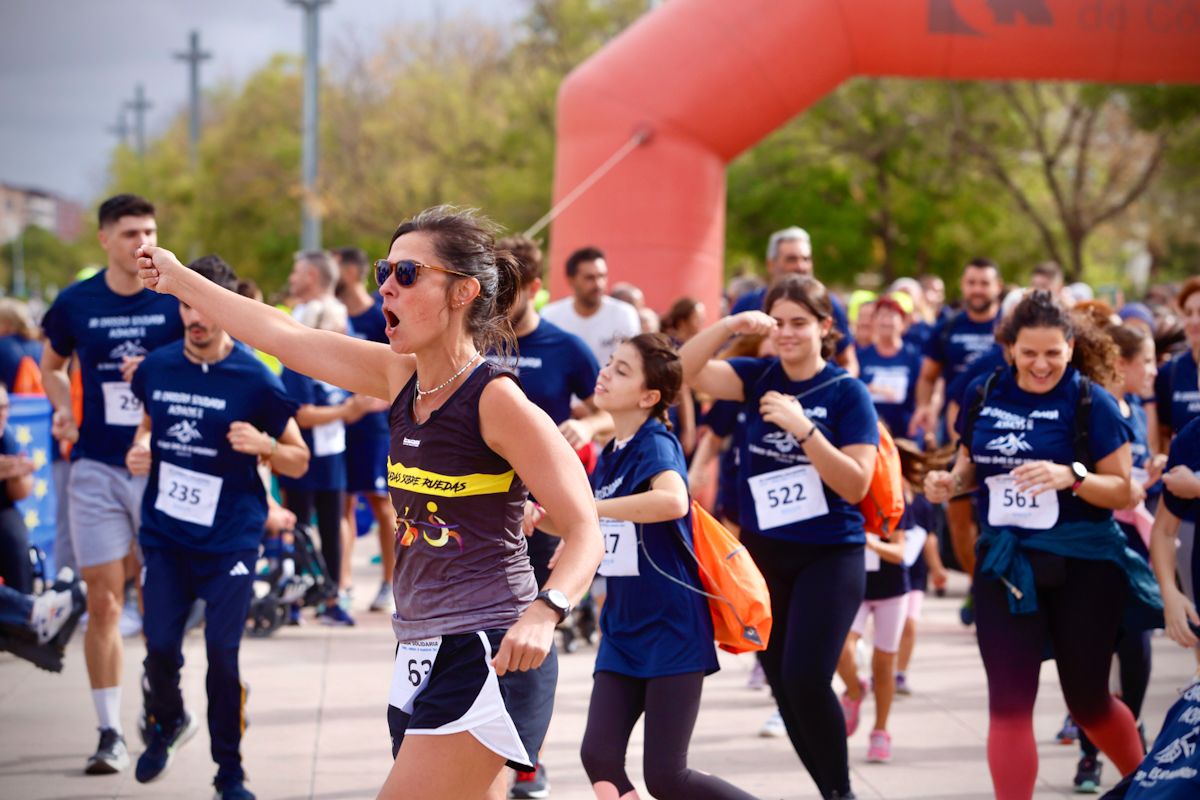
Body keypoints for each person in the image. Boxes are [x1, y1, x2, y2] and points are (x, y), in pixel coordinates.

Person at [134, 205, 603, 800]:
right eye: (385, 269)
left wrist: (547, 610)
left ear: (462, 292)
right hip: (419, 645)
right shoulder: (398, 377)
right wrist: (178, 278)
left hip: (490, 646)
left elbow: (584, 527)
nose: (385, 285)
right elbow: (286, 336)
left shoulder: (497, 400)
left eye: (407, 273)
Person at [925, 290, 1158, 800]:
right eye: (1029, 352)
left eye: (1053, 352)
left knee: (1088, 702)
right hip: (1006, 566)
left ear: (1071, 347)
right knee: (1008, 704)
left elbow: (1125, 488)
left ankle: (1147, 788)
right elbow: (969, 466)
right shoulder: (984, 393)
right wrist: (950, 483)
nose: (1040, 364)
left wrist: (1070, 476)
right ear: (1010, 348)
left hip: (1084, 568)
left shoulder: (1090, 402)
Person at [681, 274, 879, 800]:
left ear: (825, 327)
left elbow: (857, 483)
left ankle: (841, 793)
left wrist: (804, 429)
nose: (788, 334)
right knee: (786, 685)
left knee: (808, 677)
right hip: (766, 555)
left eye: (800, 323)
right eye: (780, 323)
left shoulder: (846, 392)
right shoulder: (758, 374)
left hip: (831, 555)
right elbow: (681, 371)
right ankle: (829, 791)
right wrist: (729, 324)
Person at [534, 333, 753, 800]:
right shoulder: (612, 450)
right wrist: (542, 517)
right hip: (623, 629)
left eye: (621, 370)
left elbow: (673, 500)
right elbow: (584, 517)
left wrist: (591, 511)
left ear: (649, 396)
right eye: (609, 362)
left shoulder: (655, 441)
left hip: (672, 628)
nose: (605, 372)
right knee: (600, 758)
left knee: (667, 777)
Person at [124, 255, 309, 799]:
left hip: (230, 534)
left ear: (227, 309)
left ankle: (229, 772)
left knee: (223, 659)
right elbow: (147, 425)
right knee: (159, 646)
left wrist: (268, 446)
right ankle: (167, 721)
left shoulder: (256, 379)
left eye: (205, 305)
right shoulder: (158, 367)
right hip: (165, 531)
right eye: (186, 304)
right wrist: (140, 447)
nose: (195, 317)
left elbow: (298, 459)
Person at [40, 193, 184, 774]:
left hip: (160, 466)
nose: (141, 242)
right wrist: (64, 410)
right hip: (96, 464)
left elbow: (208, 351)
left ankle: (162, 709)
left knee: (159, 600)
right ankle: (107, 732)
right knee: (103, 602)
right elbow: (52, 364)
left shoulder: (172, 295)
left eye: (149, 230)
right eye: (129, 233)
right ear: (104, 239)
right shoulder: (77, 302)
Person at [496, 233, 606, 799]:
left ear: (535, 288)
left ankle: (528, 759)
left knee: (532, 633)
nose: (496, 297)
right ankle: (481, 747)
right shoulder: (473, 339)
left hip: (540, 517)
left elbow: (616, 409)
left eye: (508, 289)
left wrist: (590, 426)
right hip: (477, 517)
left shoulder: (566, 349)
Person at [910, 258, 1003, 625]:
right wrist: (924, 408)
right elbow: (929, 374)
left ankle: (995, 589)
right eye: (972, 282)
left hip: (1003, 438)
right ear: (962, 286)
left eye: (985, 282)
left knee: (993, 520)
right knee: (959, 523)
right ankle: (980, 586)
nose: (978, 289)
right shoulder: (948, 327)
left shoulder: (1010, 327)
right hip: (957, 439)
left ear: (997, 287)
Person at [334, 246, 396, 613]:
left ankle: (390, 582)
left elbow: (403, 366)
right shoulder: (332, 314)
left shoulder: (379, 316)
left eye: (336, 265)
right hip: (340, 421)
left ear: (354, 272)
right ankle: (342, 584)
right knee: (342, 502)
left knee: (381, 503)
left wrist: (372, 402)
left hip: (373, 424)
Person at [730, 227, 858, 376]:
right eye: (792, 259)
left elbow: (849, 361)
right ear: (771, 264)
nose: (801, 266)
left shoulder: (827, 304)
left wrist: (838, 393)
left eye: (806, 259)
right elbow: (728, 358)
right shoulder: (747, 305)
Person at [835, 509, 909, 763]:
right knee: (840, 650)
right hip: (854, 589)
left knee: (884, 663)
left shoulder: (892, 502)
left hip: (892, 592)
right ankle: (855, 691)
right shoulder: (844, 498)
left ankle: (880, 730)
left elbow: (900, 553)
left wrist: (870, 542)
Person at [540, 246, 640, 368]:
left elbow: (633, 362)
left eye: (602, 276)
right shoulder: (550, 316)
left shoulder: (625, 314)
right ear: (571, 280)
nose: (598, 284)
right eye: (589, 278)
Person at [857, 296, 923, 438]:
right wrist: (874, 388)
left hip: (906, 433)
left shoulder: (914, 356)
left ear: (903, 323)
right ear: (874, 321)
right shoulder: (860, 356)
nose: (886, 321)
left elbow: (926, 388)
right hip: (870, 433)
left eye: (892, 316)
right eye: (881, 316)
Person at [0, 385, 36, 592]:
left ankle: (24, 607)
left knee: (15, 538)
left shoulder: (7, 438)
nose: (1, 414)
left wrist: (18, 475)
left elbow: (19, 494)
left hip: (3, 508)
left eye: (5, 407)